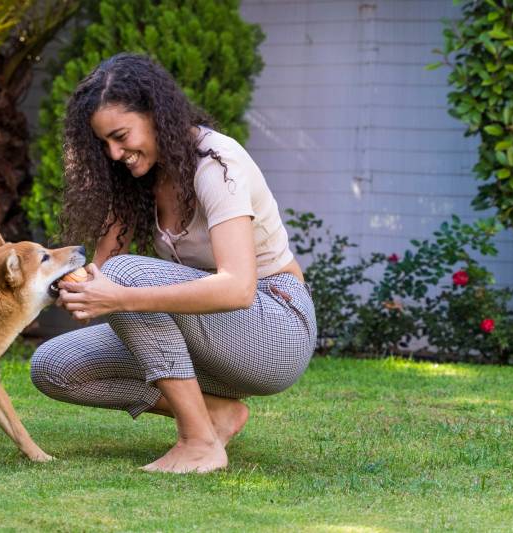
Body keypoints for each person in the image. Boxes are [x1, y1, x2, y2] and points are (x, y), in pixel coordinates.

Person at [30, 53, 317, 474]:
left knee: (125, 279)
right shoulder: (139, 178)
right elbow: (100, 273)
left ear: (155, 113)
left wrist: (119, 294)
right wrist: (74, 289)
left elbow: (237, 287)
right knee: (54, 367)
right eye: (104, 144)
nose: (113, 153)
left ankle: (199, 442)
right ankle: (217, 415)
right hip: (212, 340)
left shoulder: (216, 164)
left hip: (275, 326)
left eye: (121, 136)